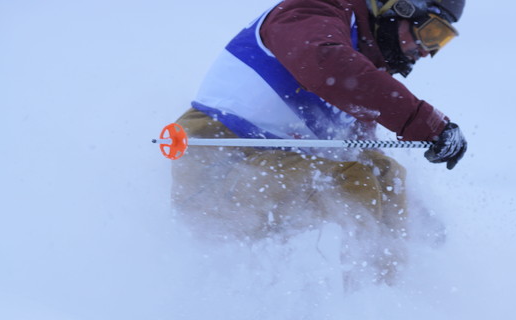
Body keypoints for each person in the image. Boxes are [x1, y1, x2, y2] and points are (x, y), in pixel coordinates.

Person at [172, 0, 467, 287]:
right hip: (217, 165)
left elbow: (362, 150)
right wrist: (424, 122)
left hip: (268, 172)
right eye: (432, 33)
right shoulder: (311, 11)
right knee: (352, 183)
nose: (428, 52)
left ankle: (388, 304)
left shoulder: (360, 66)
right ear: (396, 7)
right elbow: (329, 65)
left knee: (385, 175)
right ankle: (351, 309)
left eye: (440, 42)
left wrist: (416, 217)